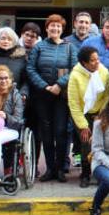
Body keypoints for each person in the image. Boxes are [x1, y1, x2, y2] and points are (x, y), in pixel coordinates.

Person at [27, 14, 77, 183]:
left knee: (61, 131)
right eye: (52, 26)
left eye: (58, 26)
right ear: (47, 28)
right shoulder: (38, 47)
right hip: (42, 96)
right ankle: (50, 169)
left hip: (61, 96)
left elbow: (75, 69)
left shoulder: (69, 48)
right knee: (46, 133)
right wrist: (45, 86)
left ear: (62, 29)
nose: (55, 29)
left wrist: (59, 84)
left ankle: (61, 168)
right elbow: (31, 69)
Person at [67, 45, 109, 188]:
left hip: (100, 112)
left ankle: (100, 173)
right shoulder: (75, 75)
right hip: (82, 114)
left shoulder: (103, 72)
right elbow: (73, 104)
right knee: (86, 143)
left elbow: (108, 94)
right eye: (92, 61)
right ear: (84, 63)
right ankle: (85, 174)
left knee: (100, 143)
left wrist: (101, 114)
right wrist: (83, 126)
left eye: (97, 59)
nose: (97, 62)